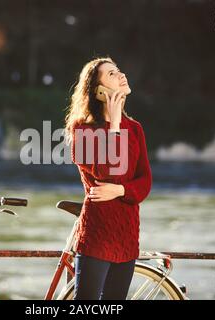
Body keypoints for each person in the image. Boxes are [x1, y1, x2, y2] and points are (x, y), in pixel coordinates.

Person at [64, 56, 153, 300]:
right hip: (97, 235)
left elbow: (145, 182)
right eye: (112, 74)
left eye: (119, 70)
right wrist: (113, 127)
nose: (121, 75)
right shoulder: (82, 130)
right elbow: (106, 172)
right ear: (98, 90)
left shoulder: (135, 129)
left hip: (127, 236)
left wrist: (121, 191)